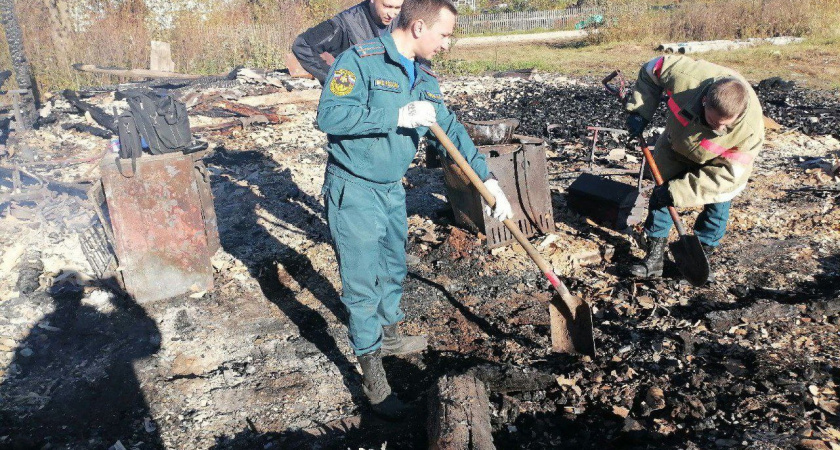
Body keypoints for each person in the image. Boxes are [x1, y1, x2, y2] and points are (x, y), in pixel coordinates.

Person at [316, 0, 514, 419]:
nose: (447, 44)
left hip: (390, 189)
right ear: (419, 26)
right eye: (444, 35)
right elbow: (330, 116)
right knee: (361, 281)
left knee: (392, 268)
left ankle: (388, 336)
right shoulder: (362, 61)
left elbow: (452, 131)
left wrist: (491, 182)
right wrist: (396, 113)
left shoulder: (422, 75)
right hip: (354, 187)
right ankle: (373, 377)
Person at [624, 55, 764, 279]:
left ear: (739, 114)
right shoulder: (684, 76)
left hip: (719, 165)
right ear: (705, 100)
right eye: (713, 121)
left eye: (725, 125)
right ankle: (654, 259)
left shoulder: (750, 131)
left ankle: (703, 255)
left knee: (717, 204)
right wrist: (640, 111)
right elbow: (652, 69)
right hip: (676, 144)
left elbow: (727, 176)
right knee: (661, 196)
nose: (718, 129)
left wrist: (678, 192)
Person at [292, 0, 404, 85]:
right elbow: (303, 45)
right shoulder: (345, 23)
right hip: (359, 100)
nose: (392, 14)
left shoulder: (404, 19)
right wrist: (335, 79)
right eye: (387, 6)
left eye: (397, 8)